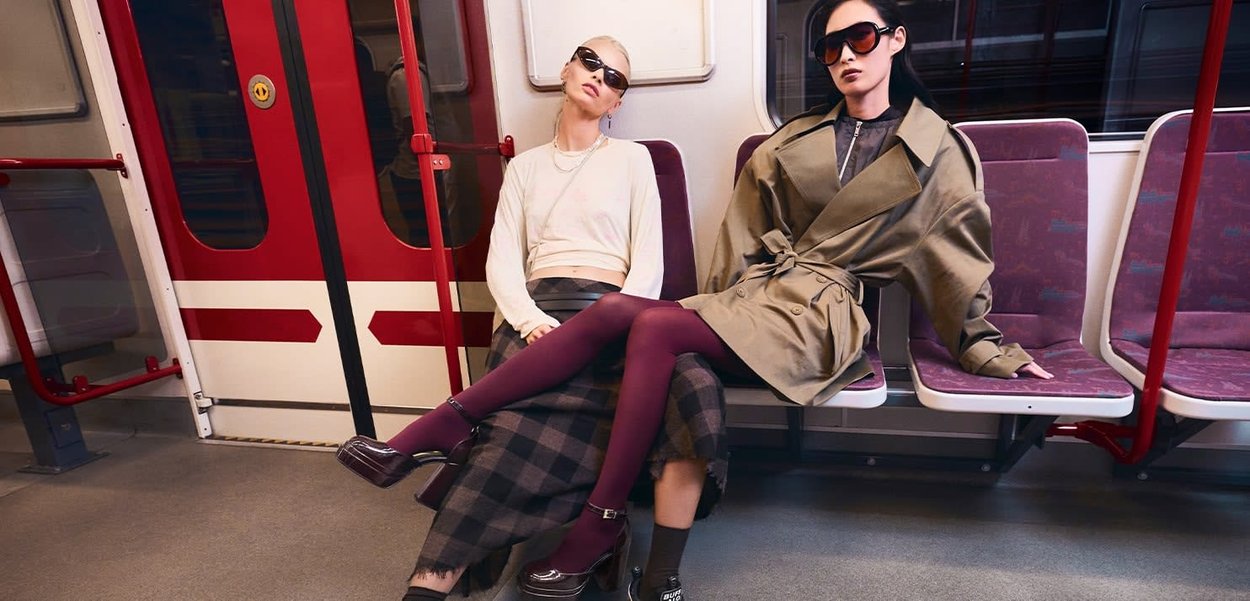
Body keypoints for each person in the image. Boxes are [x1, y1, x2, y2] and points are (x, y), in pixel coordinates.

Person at [349, 0, 1058, 597]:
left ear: (896, 41)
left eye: (861, 39)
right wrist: (729, 304)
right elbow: (743, 240)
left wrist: (984, 346)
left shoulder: (936, 149)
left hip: (827, 312)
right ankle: (572, 508)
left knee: (641, 320)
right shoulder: (795, 140)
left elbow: (955, 257)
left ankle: (523, 475)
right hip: (761, 296)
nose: (845, 55)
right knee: (642, 325)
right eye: (830, 46)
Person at [340, 36, 724, 601]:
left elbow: (649, 266)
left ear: (617, 102)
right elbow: (502, 262)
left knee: (693, 383)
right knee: (507, 438)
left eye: (614, 78)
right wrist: (528, 321)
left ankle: (658, 575)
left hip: (615, 310)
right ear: (566, 68)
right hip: (538, 313)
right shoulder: (523, 167)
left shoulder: (633, 159)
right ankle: (426, 590)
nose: (599, 77)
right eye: (590, 62)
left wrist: (614, 328)